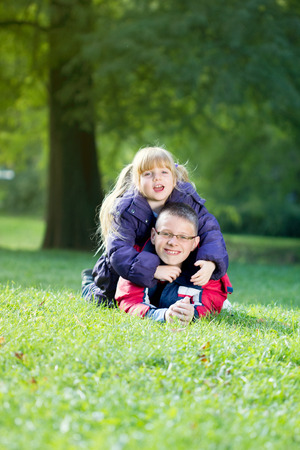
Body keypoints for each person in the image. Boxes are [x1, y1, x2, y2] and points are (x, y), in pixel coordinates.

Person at [82, 146, 228, 306]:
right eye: (148, 174)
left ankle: (211, 298)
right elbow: (119, 251)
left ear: (174, 178)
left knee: (162, 300)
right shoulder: (127, 210)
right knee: (107, 301)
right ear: (137, 182)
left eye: (164, 172)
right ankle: (88, 283)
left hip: (168, 263)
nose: (157, 178)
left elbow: (210, 231)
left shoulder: (186, 200)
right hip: (126, 273)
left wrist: (210, 262)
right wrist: (154, 270)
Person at [115, 202, 233, 324]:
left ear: (194, 243)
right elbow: (129, 300)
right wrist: (163, 315)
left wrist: (193, 313)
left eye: (183, 237)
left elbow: (213, 299)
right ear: (154, 236)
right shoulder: (137, 261)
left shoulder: (205, 268)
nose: (173, 242)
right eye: (166, 234)